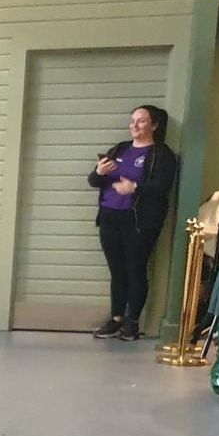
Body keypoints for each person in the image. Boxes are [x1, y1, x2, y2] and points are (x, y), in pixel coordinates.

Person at [87, 105, 180, 342]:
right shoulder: (120, 148)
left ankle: (132, 322)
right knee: (116, 271)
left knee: (135, 270)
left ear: (154, 125)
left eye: (141, 121)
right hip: (110, 216)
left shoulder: (161, 154)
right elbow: (94, 181)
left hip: (139, 222)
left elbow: (162, 188)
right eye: (132, 121)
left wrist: (135, 187)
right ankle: (116, 318)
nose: (134, 126)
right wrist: (99, 171)